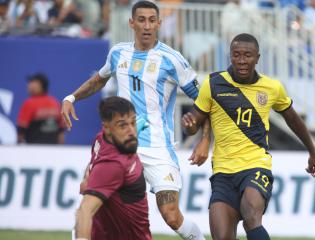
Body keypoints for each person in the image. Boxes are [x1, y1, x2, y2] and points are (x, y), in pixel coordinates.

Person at [62, 1, 209, 239]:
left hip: (159, 147)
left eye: (152, 20)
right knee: (92, 202)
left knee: (171, 216)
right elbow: (99, 79)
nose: (147, 25)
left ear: (159, 23)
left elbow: (205, 102)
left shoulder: (172, 60)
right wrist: (71, 97)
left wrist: (205, 140)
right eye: (141, 20)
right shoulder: (118, 52)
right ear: (132, 23)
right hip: (120, 146)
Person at [182, 33, 315, 240]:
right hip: (222, 172)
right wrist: (191, 126)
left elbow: (293, 119)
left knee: (251, 215)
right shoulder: (213, 83)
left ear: (258, 58)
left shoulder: (272, 87)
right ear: (229, 56)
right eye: (236, 55)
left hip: (255, 166)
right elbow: (195, 120)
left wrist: (312, 152)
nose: (241, 61)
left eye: (247, 55)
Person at [75, 96, 152, 240]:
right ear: (107, 128)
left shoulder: (102, 139)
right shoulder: (114, 165)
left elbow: (93, 162)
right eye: (122, 125)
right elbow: (85, 210)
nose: (131, 131)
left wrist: (89, 177)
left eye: (133, 123)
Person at [17, 73, 65, 144]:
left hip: (33, 150)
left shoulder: (29, 103)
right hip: (53, 150)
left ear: (40, 85)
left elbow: (21, 130)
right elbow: (61, 132)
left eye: (32, 83)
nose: (29, 86)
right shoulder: (55, 102)